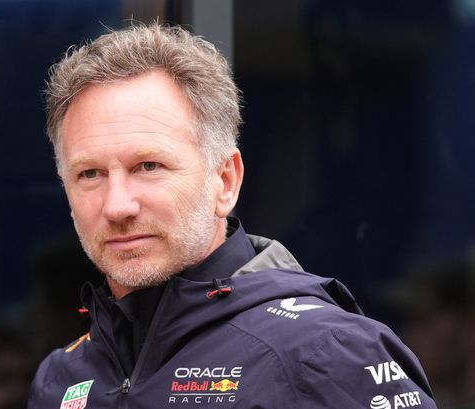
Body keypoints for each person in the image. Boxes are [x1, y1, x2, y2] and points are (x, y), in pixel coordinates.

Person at [28, 22, 437, 408]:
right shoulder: (60, 379)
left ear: (225, 181)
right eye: (90, 174)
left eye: (148, 166)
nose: (117, 205)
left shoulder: (324, 352)